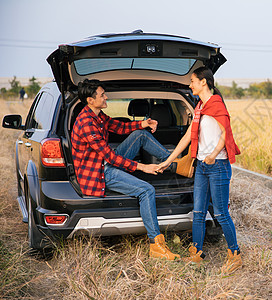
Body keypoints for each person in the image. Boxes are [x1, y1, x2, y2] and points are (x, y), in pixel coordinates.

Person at [71, 79, 194, 260]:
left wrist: (143, 124)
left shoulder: (97, 115)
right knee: (147, 190)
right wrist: (143, 167)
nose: (106, 97)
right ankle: (156, 246)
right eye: (102, 95)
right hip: (99, 173)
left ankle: (176, 164)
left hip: (105, 162)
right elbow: (110, 157)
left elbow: (118, 126)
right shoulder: (86, 123)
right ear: (90, 100)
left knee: (140, 135)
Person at [157, 67, 242, 274]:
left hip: (217, 166)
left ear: (204, 82)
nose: (190, 85)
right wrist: (169, 160)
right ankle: (197, 252)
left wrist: (213, 154)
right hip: (202, 167)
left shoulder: (216, 104)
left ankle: (235, 255)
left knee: (221, 213)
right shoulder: (200, 107)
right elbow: (187, 136)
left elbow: (226, 133)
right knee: (198, 212)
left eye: (193, 81)